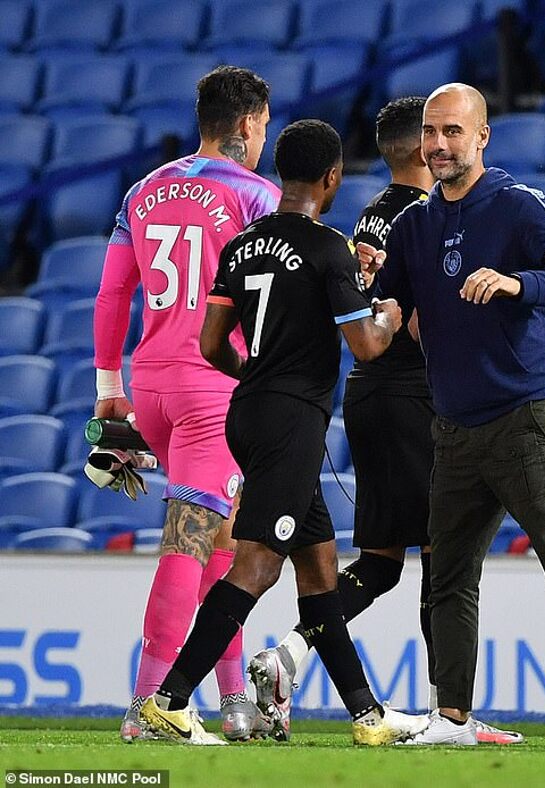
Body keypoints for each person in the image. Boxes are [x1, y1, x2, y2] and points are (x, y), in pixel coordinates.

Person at [358, 83, 545, 747]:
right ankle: (452, 718)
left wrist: (516, 282)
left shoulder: (518, 204)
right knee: (448, 578)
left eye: (452, 132)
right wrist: (370, 286)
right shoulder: (414, 226)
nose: (438, 144)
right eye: (431, 132)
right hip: (454, 429)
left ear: (482, 137)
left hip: (524, 420)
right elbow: (388, 311)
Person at [137, 119, 430, 746]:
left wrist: (259, 375)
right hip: (291, 424)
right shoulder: (329, 248)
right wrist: (389, 312)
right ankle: (169, 701)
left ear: (279, 172)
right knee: (257, 566)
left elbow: (211, 344)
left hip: (248, 411)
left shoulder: (242, 244)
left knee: (319, 572)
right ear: (333, 177)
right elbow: (368, 346)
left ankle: (367, 717)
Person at [247, 97, 522, 746]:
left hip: (367, 396)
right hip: (414, 398)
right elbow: (423, 325)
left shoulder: (368, 217)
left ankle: (288, 655)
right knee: (443, 557)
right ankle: (448, 715)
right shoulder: (429, 217)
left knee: (380, 561)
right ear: (422, 147)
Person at [93, 66, 282, 743]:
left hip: (150, 387)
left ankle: (233, 703)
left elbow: (113, 295)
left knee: (222, 544)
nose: (263, 139)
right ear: (246, 125)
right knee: (189, 543)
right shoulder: (257, 195)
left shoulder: (142, 190)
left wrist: (108, 391)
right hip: (213, 389)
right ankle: (149, 707)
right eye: (263, 127)